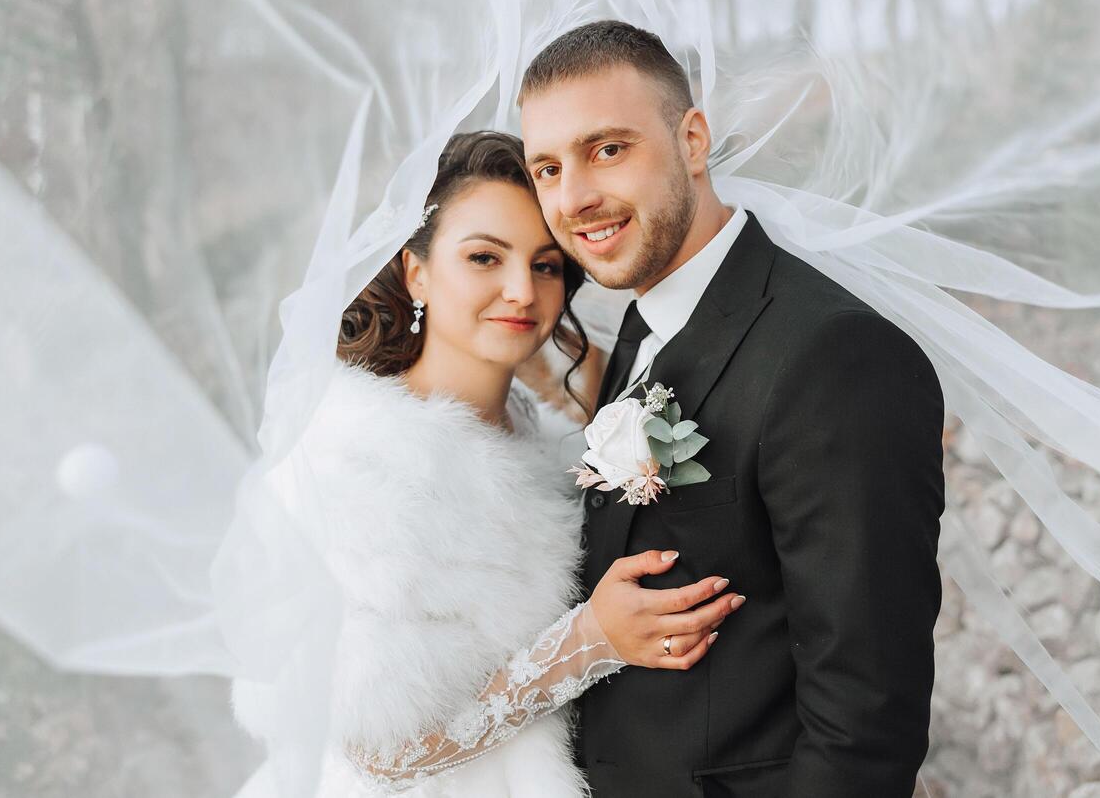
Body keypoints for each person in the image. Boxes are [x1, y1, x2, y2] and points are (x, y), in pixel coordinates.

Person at [225, 130, 745, 797]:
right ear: (417, 271)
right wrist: (586, 643)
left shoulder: (551, 438)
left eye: (546, 264)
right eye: (483, 258)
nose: (521, 291)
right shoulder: (353, 461)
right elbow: (382, 750)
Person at [519, 20, 947, 798]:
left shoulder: (834, 357)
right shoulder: (644, 328)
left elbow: (865, 722)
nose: (574, 196)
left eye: (607, 149)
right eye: (546, 168)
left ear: (692, 141)